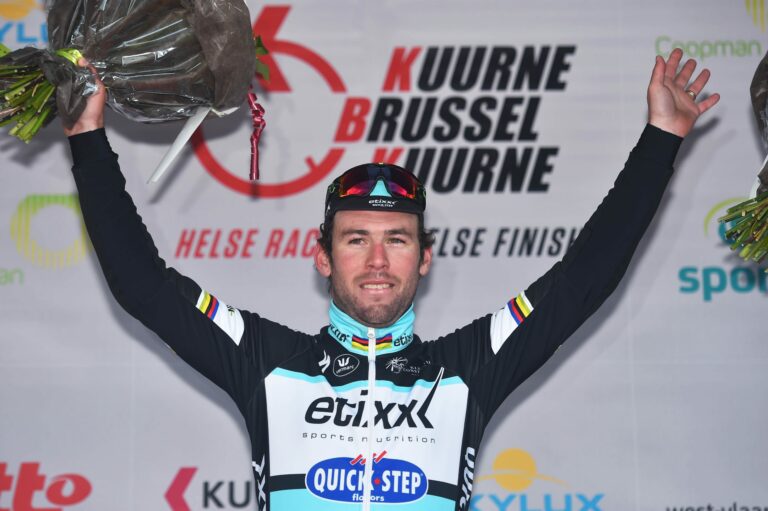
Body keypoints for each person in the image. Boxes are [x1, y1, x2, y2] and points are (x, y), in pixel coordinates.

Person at [63, 48, 718, 511]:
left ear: (424, 258)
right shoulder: (265, 360)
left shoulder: (467, 367)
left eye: (397, 239)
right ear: (323, 257)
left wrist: (661, 137)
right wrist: (87, 135)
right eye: (356, 239)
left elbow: (583, 281)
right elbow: (143, 287)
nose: (377, 260)